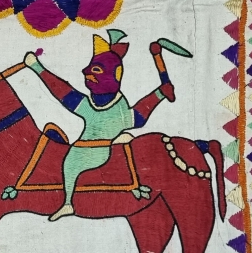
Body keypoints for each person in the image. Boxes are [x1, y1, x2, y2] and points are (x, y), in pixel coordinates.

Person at [24, 29, 174, 220]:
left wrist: (159, 94)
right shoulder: (93, 104)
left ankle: (68, 203)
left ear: (115, 74)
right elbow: (64, 92)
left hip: (96, 152)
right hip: (90, 146)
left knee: (70, 163)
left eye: (96, 70)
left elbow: (137, 117)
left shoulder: (116, 108)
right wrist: (160, 94)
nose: (85, 72)